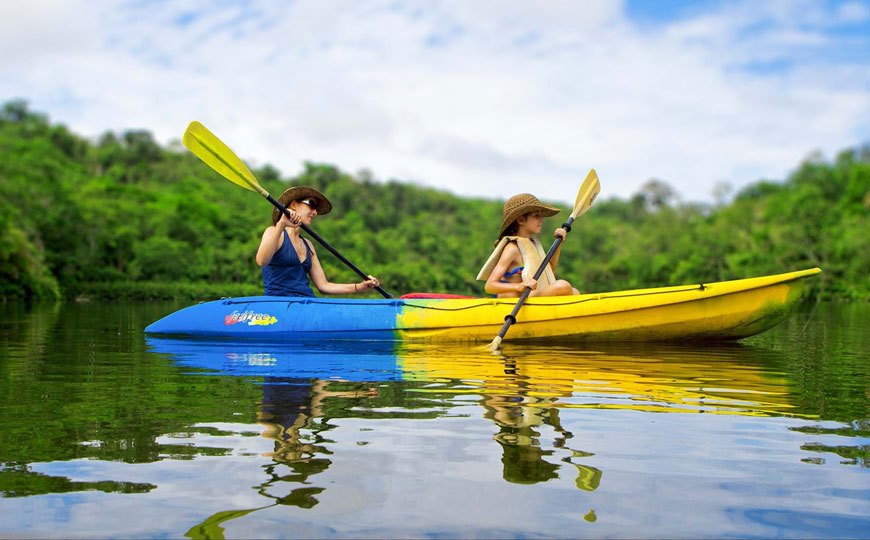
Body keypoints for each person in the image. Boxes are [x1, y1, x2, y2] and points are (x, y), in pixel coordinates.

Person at [256, 185, 380, 297]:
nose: (315, 212)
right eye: (311, 204)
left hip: (306, 303)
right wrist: (282, 223)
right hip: (279, 305)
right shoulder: (273, 232)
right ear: (293, 204)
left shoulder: (308, 245)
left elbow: (323, 285)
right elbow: (262, 260)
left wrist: (359, 286)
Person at [477, 193, 579, 298]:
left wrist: (559, 243)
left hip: (528, 300)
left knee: (574, 292)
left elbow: (548, 271)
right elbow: (489, 286)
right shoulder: (512, 248)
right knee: (562, 286)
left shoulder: (532, 244)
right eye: (536, 215)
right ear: (521, 220)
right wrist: (519, 286)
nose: (541, 219)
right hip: (512, 304)